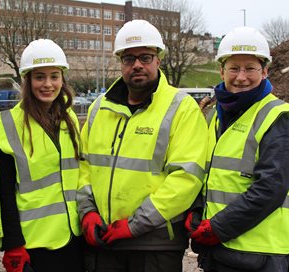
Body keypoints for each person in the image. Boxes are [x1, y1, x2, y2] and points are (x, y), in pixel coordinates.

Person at [76, 19, 208, 272]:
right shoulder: (98, 109)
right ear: (120, 64)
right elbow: (84, 166)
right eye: (129, 59)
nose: (137, 65)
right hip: (105, 240)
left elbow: (186, 178)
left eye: (145, 57)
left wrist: (135, 224)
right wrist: (87, 212)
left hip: (155, 246)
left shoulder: (181, 108)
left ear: (158, 60)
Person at [186, 26, 289, 272]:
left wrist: (217, 228)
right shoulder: (216, 117)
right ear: (221, 71)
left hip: (261, 255)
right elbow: (210, 175)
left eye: (250, 68)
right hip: (221, 252)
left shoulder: (279, 117)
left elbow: (269, 188)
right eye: (234, 68)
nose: (241, 77)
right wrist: (197, 210)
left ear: (265, 71)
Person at [0, 39, 84, 272]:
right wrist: (14, 244)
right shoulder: (6, 125)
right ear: (27, 80)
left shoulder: (69, 119)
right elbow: (4, 191)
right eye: (39, 76)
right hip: (34, 244)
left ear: (62, 79)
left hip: (74, 236)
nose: (48, 84)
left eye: (54, 76)